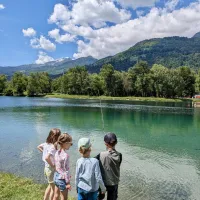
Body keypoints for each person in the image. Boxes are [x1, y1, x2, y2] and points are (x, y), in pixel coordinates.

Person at [96, 133, 122, 200]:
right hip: (114, 183)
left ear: (105, 143)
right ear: (116, 142)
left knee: (99, 197)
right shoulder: (119, 155)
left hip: (103, 182)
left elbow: (93, 162)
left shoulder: (100, 155)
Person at [37, 128, 61, 200]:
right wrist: (53, 165)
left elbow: (38, 146)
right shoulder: (52, 147)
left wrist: (44, 153)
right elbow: (47, 158)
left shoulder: (46, 144)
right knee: (53, 190)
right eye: (59, 136)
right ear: (55, 137)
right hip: (51, 169)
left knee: (50, 186)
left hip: (46, 168)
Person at [53, 133, 73, 200]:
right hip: (62, 179)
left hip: (56, 176)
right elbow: (66, 170)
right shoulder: (66, 155)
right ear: (65, 143)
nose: (71, 145)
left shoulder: (57, 152)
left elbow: (57, 165)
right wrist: (68, 183)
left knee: (56, 195)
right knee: (64, 198)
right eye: (70, 143)